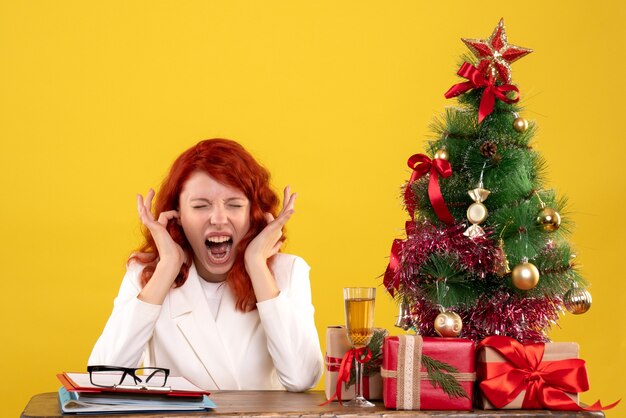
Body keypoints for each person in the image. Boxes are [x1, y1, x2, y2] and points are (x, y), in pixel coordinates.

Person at [89, 138, 323, 392]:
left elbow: (302, 378)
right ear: (178, 214)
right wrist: (167, 267)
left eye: (234, 205)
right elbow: (104, 378)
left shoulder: (287, 272)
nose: (219, 219)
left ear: (253, 213)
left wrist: (257, 265)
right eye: (201, 206)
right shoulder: (146, 275)